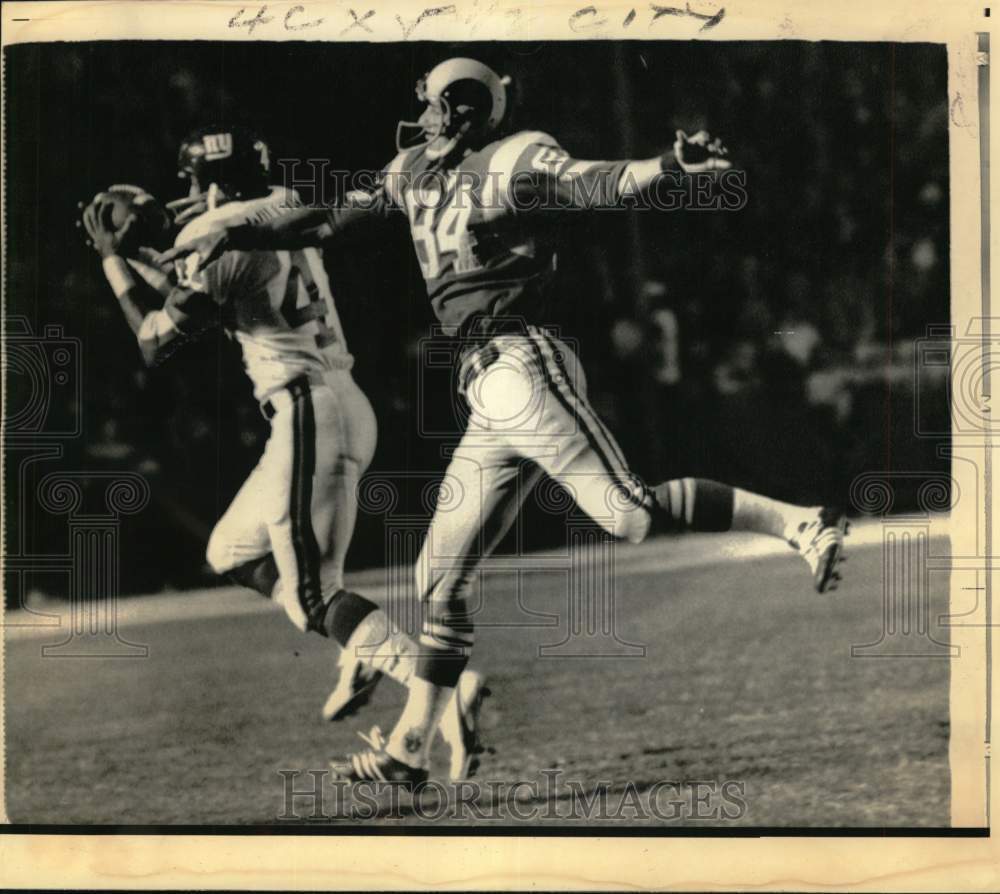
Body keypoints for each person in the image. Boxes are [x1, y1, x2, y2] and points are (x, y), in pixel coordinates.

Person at [164, 61, 848, 785]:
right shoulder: (410, 172)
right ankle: (409, 749)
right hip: (486, 389)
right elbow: (327, 220)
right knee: (440, 576)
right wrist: (234, 229)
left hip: (523, 362)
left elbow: (595, 181)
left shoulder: (512, 158)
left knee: (628, 513)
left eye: (431, 105)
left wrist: (666, 165)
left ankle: (803, 522)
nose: (420, 115)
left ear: (459, 112)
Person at [82, 125, 488, 781]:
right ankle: (368, 644)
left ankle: (438, 687)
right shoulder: (278, 206)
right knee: (230, 551)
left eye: (193, 184)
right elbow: (212, 264)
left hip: (305, 411)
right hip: (338, 400)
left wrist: (112, 258)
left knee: (310, 595)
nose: (187, 196)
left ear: (211, 184)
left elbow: (157, 339)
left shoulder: (220, 232)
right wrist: (156, 247)